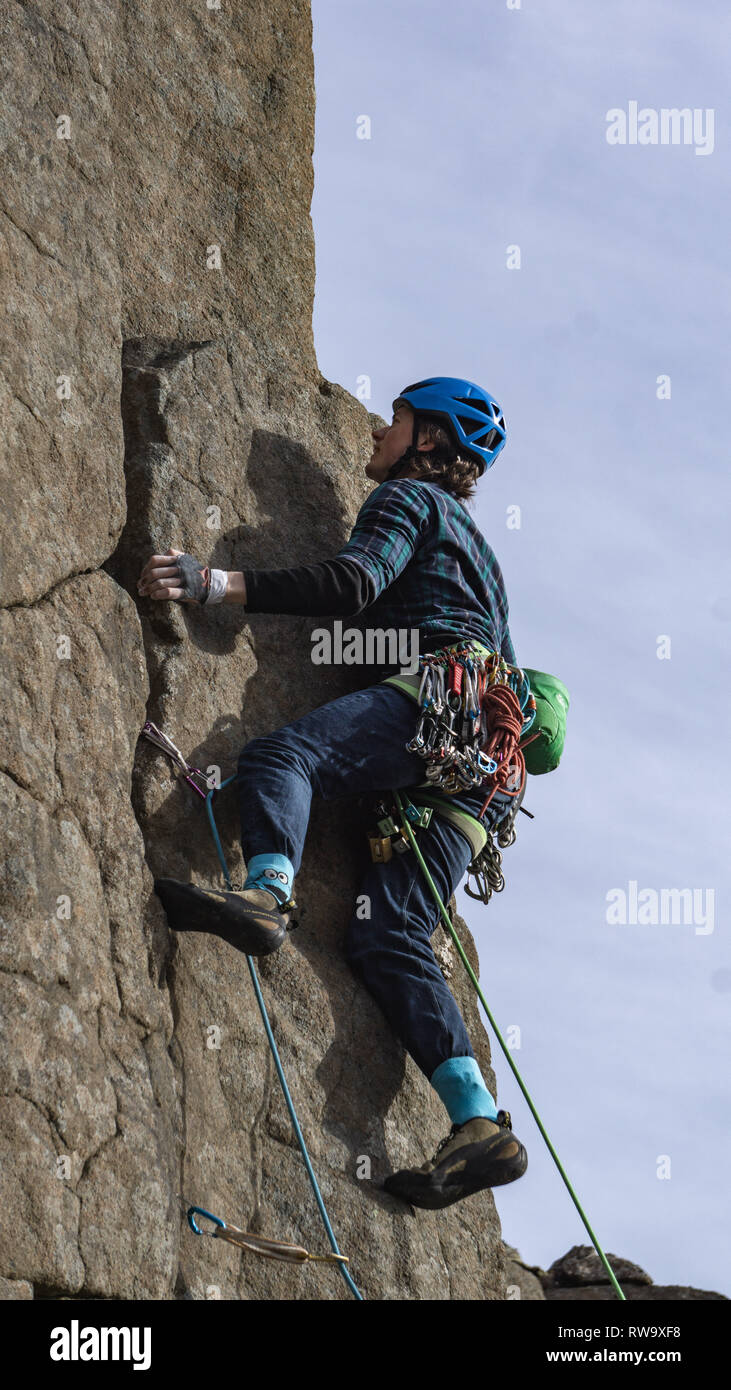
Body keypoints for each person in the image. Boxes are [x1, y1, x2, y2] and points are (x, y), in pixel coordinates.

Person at [138, 377, 528, 1209]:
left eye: (396, 420)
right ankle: (476, 1121)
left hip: (437, 703)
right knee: (390, 935)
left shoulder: (410, 500)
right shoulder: (484, 558)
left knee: (284, 757)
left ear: (428, 442)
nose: (378, 433)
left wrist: (216, 585)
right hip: (482, 771)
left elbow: (354, 583)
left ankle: (267, 895)